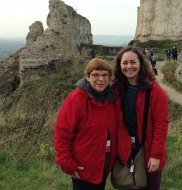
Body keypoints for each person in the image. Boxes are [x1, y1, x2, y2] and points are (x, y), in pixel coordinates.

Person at [54, 58, 129, 190]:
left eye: (105, 75)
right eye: (95, 75)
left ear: (109, 78)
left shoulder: (112, 98)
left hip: (104, 166)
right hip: (84, 168)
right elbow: (62, 133)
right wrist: (67, 164)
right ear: (88, 77)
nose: (101, 79)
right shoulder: (77, 99)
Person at [112, 46, 169, 190]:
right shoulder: (116, 89)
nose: (129, 66)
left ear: (141, 64)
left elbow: (161, 125)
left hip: (148, 150)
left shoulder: (154, 91)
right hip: (124, 150)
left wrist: (156, 155)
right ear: (119, 65)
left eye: (133, 62)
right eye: (124, 63)